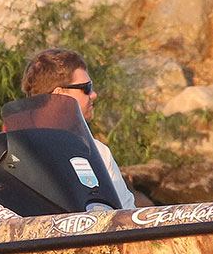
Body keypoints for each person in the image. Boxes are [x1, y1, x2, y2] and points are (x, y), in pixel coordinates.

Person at [18, 49, 136, 209]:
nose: (93, 95)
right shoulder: (15, 153)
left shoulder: (99, 152)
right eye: (86, 88)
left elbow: (127, 213)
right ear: (59, 95)